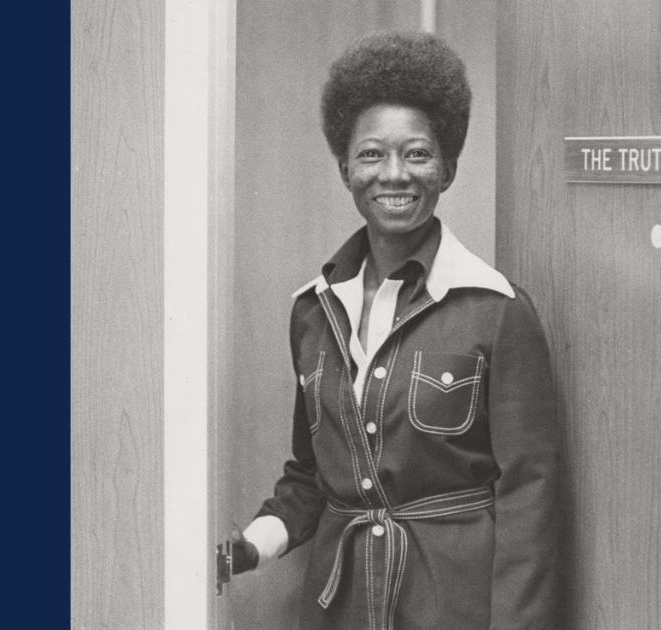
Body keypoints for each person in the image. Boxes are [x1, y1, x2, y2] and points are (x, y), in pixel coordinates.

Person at [227, 31, 561, 629]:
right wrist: (251, 546)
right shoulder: (313, 311)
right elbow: (311, 477)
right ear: (345, 168)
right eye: (373, 155)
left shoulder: (497, 310)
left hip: (454, 607)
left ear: (449, 167)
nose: (394, 175)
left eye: (417, 154)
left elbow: (529, 501)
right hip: (343, 606)